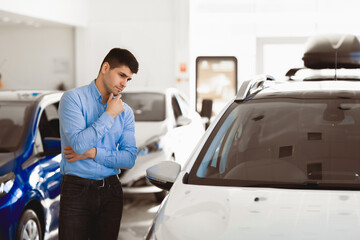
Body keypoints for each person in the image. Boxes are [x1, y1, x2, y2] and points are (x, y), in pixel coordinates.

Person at [58, 48, 139, 240]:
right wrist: (109, 114)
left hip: (111, 192)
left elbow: (129, 159)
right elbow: (78, 145)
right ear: (105, 67)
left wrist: (93, 152)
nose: (124, 84)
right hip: (76, 190)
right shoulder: (73, 99)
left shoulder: (126, 112)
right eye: (121, 75)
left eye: (128, 79)